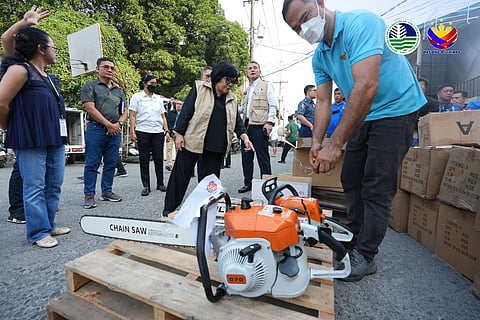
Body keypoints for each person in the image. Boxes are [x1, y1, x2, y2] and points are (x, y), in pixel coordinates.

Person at [282, 0, 426, 281]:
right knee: (350, 177)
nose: (303, 29)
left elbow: (366, 85)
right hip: (365, 112)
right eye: (296, 28)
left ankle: (367, 254)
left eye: (306, 17)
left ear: (320, 3)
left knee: (376, 184)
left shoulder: (362, 23)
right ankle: (355, 237)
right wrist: (317, 143)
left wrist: (335, 145)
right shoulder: (320, 55)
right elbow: (323, 101)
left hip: (396, 108)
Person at [0, 5, 71, 248]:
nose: (57, 52)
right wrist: (24, 23)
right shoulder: (20, 69)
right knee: (34, 187)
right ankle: (38, 232)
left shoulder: (48, 76)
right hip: (30, 138)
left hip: (54, 137)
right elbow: (1, 102)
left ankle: (48, 224)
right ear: (41, 48)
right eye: (54, 47)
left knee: (53, 184)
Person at [162, 61, 254, 217]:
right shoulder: (200, 88)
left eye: (233, 81)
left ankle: (203, 215)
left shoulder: (232, 98)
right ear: (218, 77)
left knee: (209, 185)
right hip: (192, 141)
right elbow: (186, 112)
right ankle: (168, 210)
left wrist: (244, 137)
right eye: (227, 80)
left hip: (216, 147)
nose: (230, 85)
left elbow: (237, 121)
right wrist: (179, 134)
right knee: (180, 177)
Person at [81, 57, 127, 208]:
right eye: (106, 67)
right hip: (96, 130)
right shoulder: (90, 86)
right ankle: (89, 194)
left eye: (112, 68)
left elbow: (125, 110)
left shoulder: (119, 91)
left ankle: (107, 191)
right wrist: (108, 125)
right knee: (92, 163)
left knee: (111, 162)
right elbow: (90, 108)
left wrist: (118, 124)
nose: (110, 70)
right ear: (97, 69)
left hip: (115, 131)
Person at [238, 61, 277, 193]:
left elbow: (273, 105)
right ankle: (247, 183)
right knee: (246, 157)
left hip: (260, 126)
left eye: (255, 68)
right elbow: (243, 109)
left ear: (260, 71)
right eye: (249, 68)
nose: (252, 70)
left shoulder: (266, 85)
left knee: (262, 157)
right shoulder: (247, 90)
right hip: (247, 126)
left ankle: (267, 184)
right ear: (247, 72)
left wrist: (270, 122)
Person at [129, 73, 170, 196]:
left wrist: (166, 131)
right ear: (144, 83)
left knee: (158, 158)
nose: (154, 85)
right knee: (144, 159)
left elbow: (163, 116)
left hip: (157, 131)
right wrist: (132, 131)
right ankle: (146, 185)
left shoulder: (158, 99)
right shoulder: (137, 97)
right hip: (143, 131)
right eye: (151, 83)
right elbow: (132, 115)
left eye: (155, 83)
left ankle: (160, 183)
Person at [197, 66, 213, 180]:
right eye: (207, 76)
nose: (209, 79)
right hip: (197, 135)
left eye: (212, 77)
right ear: (202, 77)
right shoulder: (196, 91)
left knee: (211, 166)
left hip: (212, 135)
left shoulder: (217, 94)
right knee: (200, 164)